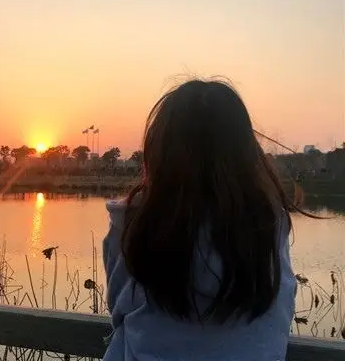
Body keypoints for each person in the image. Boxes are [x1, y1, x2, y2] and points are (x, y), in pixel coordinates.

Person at [103, 79, 298, 360]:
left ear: (159, 153)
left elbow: (120, 309)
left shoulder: (135, 224)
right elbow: (281, 312)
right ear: (245, 154)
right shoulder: (268, 227)